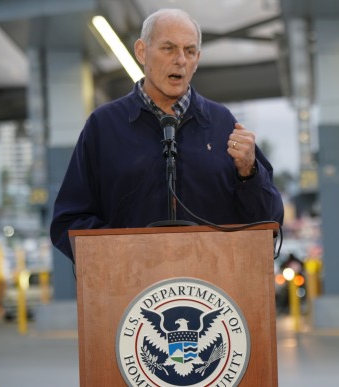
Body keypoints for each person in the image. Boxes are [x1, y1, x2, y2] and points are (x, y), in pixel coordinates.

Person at [50, 8, 284, 261]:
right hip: (130, 292)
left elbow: (268, 223)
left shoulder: (222, 124)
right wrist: (125, 253)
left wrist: (249, 173)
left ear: (197, 59)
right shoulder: (103, 126)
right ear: (142, 51)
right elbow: (68, 222)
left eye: (189, 51)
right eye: (169, 48)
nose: (180, 60)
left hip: (211, 292)